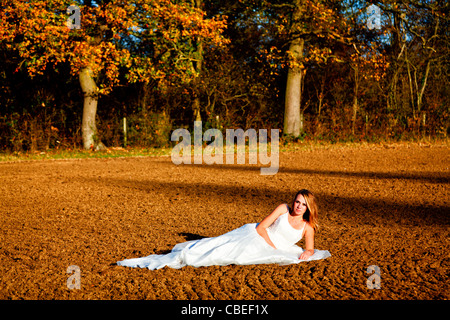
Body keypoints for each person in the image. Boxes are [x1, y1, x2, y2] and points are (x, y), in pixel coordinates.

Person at [117, 189, 330, 270]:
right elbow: (262, 227)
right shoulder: (283, 209)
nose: (297, 205)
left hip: (278, 247)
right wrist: (271, 247)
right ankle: (186, 254)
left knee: (235, 258)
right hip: (256, 236)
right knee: (219, 248)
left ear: (308, 207)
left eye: (302, 204)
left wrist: (307, 252)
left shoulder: (308, 226)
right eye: (297, 201)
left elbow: (310, 249)